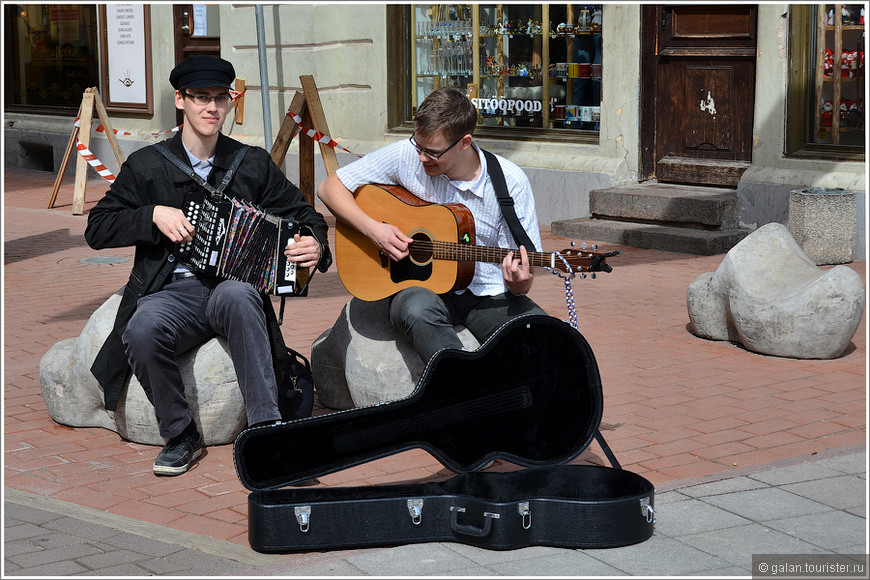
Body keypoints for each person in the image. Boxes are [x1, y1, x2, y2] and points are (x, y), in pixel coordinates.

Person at [85, 55, 332, 476]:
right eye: (201, 98)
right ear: (180, 100)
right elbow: (98, 227)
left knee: (238, 295)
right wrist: (152, 216)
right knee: (141, 327)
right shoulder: (148, 166)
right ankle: (181, 435)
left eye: (221, 98)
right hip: (171, 291)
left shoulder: (250, 163)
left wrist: (316, 246)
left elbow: (305, 215)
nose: (211, 108)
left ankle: (266, 431)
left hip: (230, 288)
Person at [317, 87, 546, 363]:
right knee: (415, 309)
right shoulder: (407, 155)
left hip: (487, 292)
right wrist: (374, 230)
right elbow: (330, 188)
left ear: (465, 142)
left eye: (433, 152)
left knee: (542, 336)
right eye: (419, 145)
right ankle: (457, 380)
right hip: (424, 291)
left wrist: (520, 284)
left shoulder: (511, 183)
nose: (422, 158)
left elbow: (522, 272)